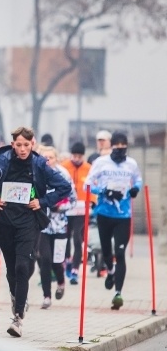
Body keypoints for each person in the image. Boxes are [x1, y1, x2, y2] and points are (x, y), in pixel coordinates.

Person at [0, 126, 70, 338]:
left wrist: (42, 201)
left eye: (26, 145)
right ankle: (16, 298)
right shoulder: (1, 161)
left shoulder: (40, 164)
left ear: (33, 144)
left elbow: (64, 187)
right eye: (19, 145)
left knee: (23, 266)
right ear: (13, 144)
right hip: (4, 221)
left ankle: (18, 318)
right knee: (12, 269)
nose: (22, 149)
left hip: (28, 222)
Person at [85, 132, 142, 310]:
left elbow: (138, 180)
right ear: (110, 146)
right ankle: (109, 270)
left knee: (120, 252)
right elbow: (87, 183)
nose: (119, 148)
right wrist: (103, 191)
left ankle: (118, 293)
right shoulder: (101, 163)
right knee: (106, 251)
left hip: (123, 216)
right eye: (116, 145)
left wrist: (135, 189)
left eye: (122, 145)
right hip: (104, 213)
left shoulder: (131, 164)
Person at [35, 146, 76, 309]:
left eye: (50, 157)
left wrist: (60, 208)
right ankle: (46, 296)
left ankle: (60, 282)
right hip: (43, 225)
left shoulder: (63, 175)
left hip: (60, 225)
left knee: (57, 261)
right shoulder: (37, 174)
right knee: (44, 260)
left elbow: (73, 200)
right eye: (44, 158)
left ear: (56, 159)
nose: (47, 161)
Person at [62, 142, 93, 284]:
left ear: (83, 156)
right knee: (66, 236)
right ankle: (67, 260)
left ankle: (75, 269)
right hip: (67, 206)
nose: (76, 158)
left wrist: (92, 201)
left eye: (79, 156)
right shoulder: (64, 166)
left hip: (82, 207)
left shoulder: (89, 168)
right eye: (74, 155)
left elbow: (94, 186)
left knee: (77, 238)